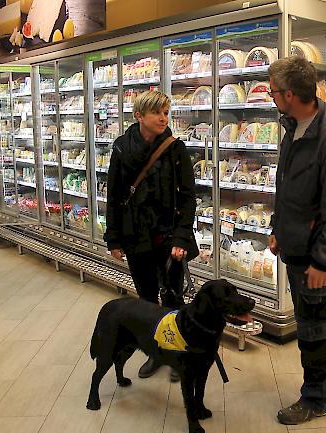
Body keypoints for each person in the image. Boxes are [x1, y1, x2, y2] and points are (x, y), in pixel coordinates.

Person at [267, 57, 326, 425]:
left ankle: (316, 398)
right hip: (299, 247)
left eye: (273, 91)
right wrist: (279, 228)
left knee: (313, 329)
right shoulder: (296, 128)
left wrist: (324, 261)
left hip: (317, 257)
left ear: (289, 94)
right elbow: (289, 188)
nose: (272, 97)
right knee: (324, 323)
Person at [104, 90, 197, 381]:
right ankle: (156, 351)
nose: (163, 118)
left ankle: (178, 354)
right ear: (139, 116)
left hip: (167, 237)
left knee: (172, 296)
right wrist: (114, 239)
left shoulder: (175, 149)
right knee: (145, 299)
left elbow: (188, 197)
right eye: (157, 112)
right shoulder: (121, 149)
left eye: (166, 112)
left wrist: (183, 238)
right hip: (135, 235)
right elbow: (115, 196)